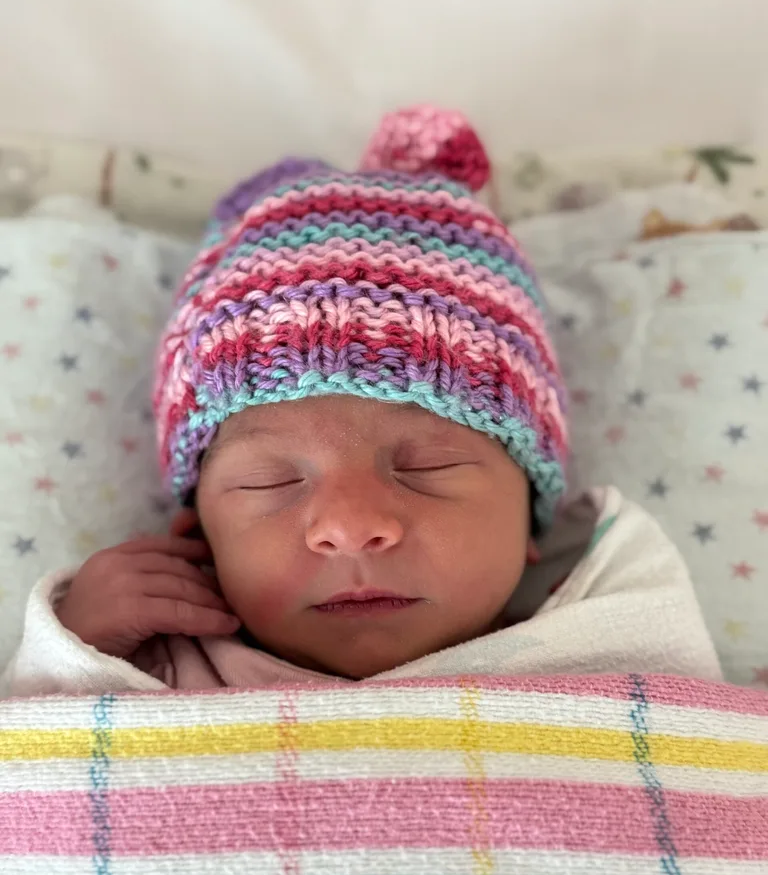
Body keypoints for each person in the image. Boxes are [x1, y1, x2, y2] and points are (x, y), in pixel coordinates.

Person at [0, 106, 721, 697]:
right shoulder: (148, 665)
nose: (350, 526)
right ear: (200, 536)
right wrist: (75, 646)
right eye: (271, 481)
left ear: (531, 512)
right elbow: (33, 798)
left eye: (429, 466)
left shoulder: (609, 626)